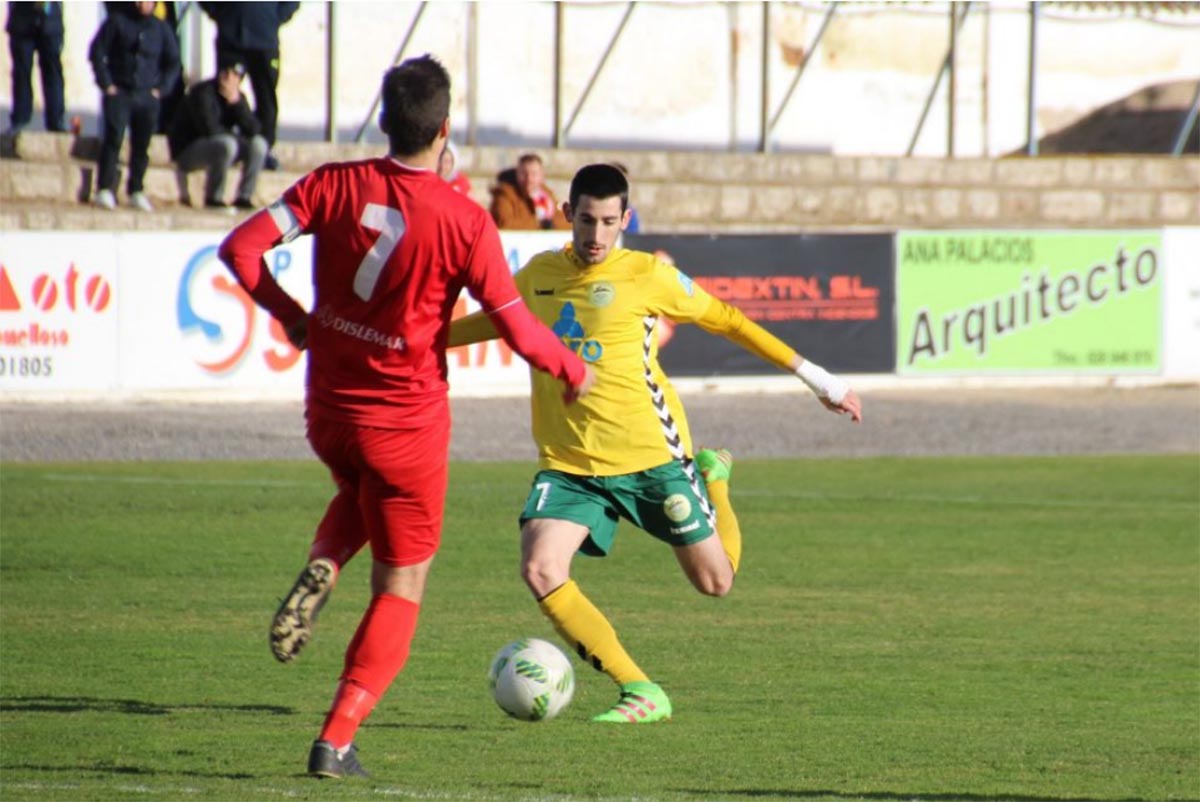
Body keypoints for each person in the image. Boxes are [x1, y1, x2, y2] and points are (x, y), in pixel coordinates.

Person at [217, 54, 593, 780]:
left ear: (384, 120)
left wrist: (295, 319)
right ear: (445, 126)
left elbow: (240, 248)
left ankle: (325, 559)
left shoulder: (330, 183)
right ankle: (336, 739)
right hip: (408, 427)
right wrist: (574, 369)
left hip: (329, 411)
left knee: (359, 491)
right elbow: (518, 330)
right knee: (401, 587)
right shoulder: (464, 220)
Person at [449, 163, 862, 723]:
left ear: (625, 220)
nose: (596, 235)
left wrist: (820, 380)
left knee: (715, 583)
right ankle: (640, 689)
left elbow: (730, 321)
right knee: (541, 567)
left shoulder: (647, 275)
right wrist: (401, 342)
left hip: (651, 458)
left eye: (609, 222)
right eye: (586, 220)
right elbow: (485, 324)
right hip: (569, 464)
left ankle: (715, 482)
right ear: (567, 215)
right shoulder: (537, 275)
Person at [88, 1, 180, 212]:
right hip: (120, 91)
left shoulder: (160, 28)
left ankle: (136, 189)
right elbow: (97, 51)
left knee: (141, 145)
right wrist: (107, 84)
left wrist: (161, 89)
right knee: (113, 139)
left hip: (146, 96)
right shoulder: (117, 21)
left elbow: (173, 62)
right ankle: (104, 188)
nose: (141, 4)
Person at [200, 1, 299, 170]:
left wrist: (274, 18)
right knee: (225, 93)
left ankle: (264, 151)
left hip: (265, 39)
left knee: (266, 98)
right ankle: (226, 149)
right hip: (231, 38)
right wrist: (221, 14)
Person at [168, 56, 268, 210]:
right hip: (189, 150)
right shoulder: (203, 93)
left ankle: (244, 196)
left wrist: (236, 103)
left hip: (223, 145)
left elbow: (254, 129)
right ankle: (214, 197)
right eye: (225, 73)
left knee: (259, 144)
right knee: (227, 144)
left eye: (234, 75)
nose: (228, 78)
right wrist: (236, 137)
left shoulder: (238, 98)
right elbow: (209, 129)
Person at [5, 1, 66, 135]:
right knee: (21, 73)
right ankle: (20, 119)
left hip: (51, 22)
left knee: (53, 72)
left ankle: (56, 120)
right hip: (22, 20)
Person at [488, 152, 569, 230]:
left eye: (534, 174)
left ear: (541, 175)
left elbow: (566, 221)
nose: (529, 179)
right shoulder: (504, 195)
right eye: (524, 173)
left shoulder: (547, 196)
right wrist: (539, 224)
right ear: (517, 174)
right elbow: (504, 223)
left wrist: (551, 224)